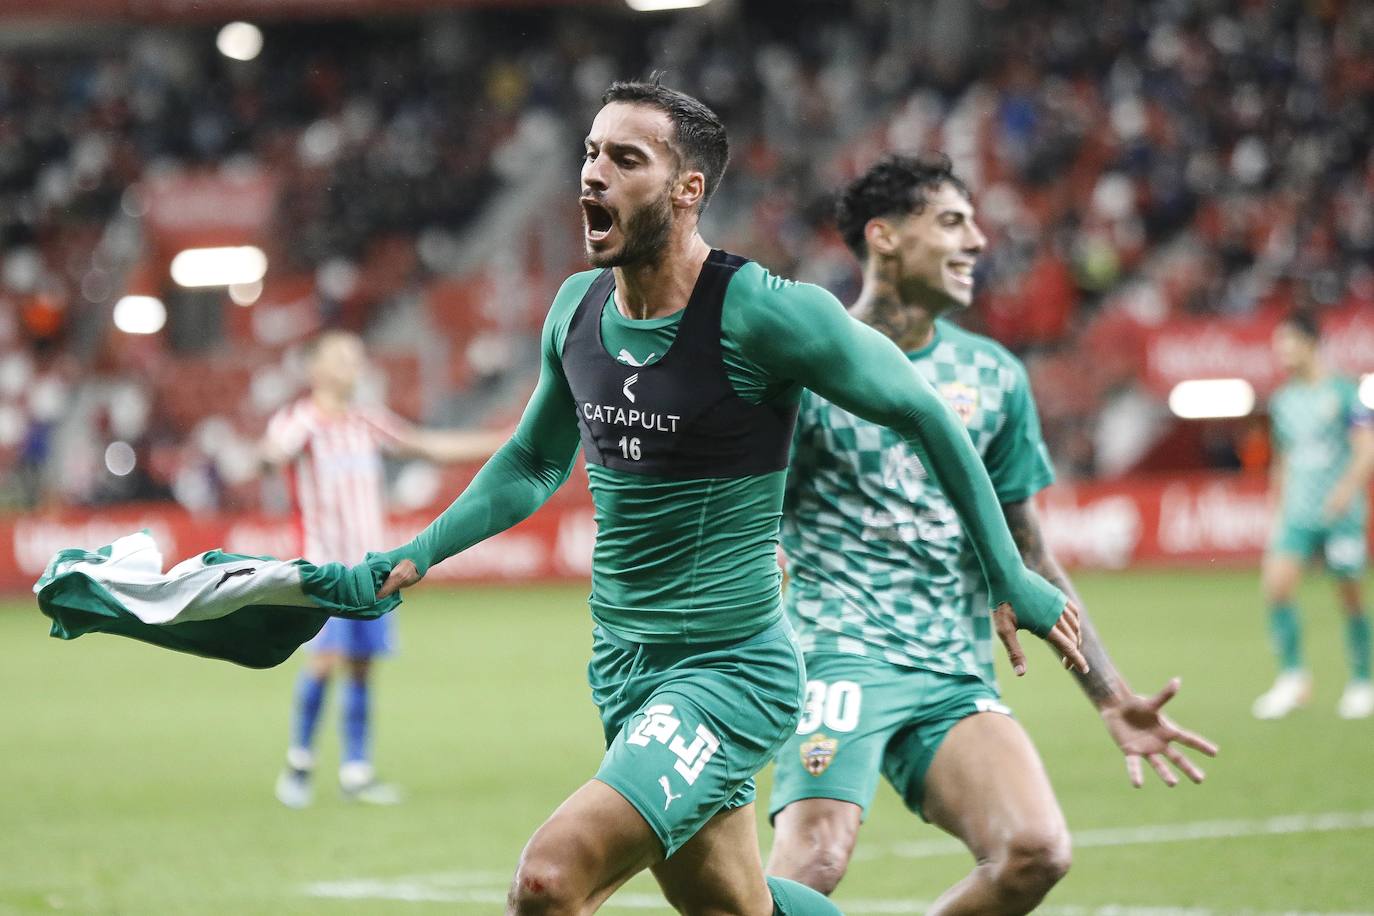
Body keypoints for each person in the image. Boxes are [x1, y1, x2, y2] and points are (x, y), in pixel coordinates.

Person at [376, 81, 1087, 916]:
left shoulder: (765, 314)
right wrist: (415, 553)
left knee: (549, 880)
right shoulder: (577, 308)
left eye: (624, 159)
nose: (592, 175)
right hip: (625, 669)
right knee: (738, 910)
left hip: (730, 670)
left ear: (688, 190)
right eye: (590, 154)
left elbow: (929, 415)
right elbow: (532, 462)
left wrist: (1008, 574)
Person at [765, 154, 1219, 914]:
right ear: (883, 238)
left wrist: (1109, 696)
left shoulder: (995, 375)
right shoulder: (808, 365)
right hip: (835, 651)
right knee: (814, 857)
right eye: (952, 221)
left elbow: (1030, 553)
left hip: (950, 670)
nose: (977, 240)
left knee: (1035, 852)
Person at [264, 330, 505, 807]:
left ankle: (356, 771)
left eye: (356, 358)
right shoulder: (300, 423)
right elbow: (272, 453)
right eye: (342, 358)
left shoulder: (365, 422)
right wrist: (263, 460)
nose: (354, 367)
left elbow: (426, 446)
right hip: (322, 569)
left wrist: (505, 441)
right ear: (316, 369)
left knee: (361, 667)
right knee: (324, 660)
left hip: (371, 569)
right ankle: (299, 765)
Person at [1252, 312, 1374, 720]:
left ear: (1310, 343)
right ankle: (1293, 680)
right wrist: (1277, 505)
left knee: (1351, 598)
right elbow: (1283, 459)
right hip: (1298, 515)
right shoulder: (1284, 400)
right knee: (1277, 588)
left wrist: (1344, 493)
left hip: (1340, 515)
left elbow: (1366, 449)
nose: (1281, 353)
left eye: (1287, 343)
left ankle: (1362, 681)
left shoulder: (1344, 392)